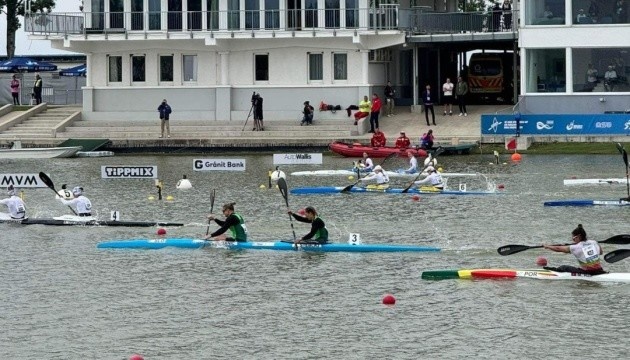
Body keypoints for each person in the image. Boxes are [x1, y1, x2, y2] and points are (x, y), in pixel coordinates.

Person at [542, 224, 606, 275]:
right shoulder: (594, 242)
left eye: (573, 238)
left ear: (579, 236)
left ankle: (549, 272)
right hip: (599, 270)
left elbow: (558, 248)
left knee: (564, 267)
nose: (573, 240)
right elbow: (601, 253)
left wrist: (548, 246)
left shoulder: (576, 247)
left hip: (588, 272)